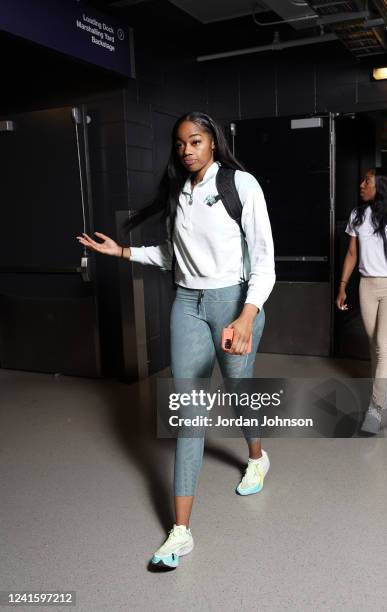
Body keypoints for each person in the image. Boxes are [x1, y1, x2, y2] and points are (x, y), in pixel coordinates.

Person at [76, 111, 275, 569]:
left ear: (213, 142)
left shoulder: (240, 185)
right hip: (186, 302)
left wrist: (247, 315)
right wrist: (122, 251)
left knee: (239, 393)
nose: (187, 149)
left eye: (196, 141)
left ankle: (257, 457)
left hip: (234, 302)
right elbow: (172, 255)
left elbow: (264, 260)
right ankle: (180, 532)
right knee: (190, 413)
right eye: (181, 143)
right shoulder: (179, 191)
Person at [336, 167, 387, 435]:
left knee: (383, 344)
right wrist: (342, 286)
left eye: (367, 180)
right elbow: (352, 254)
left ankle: (375, 408)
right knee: (373, 343)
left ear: (381, 184)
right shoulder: (358, 215)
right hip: (367, 286)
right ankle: (383, 393)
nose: (361, 184)